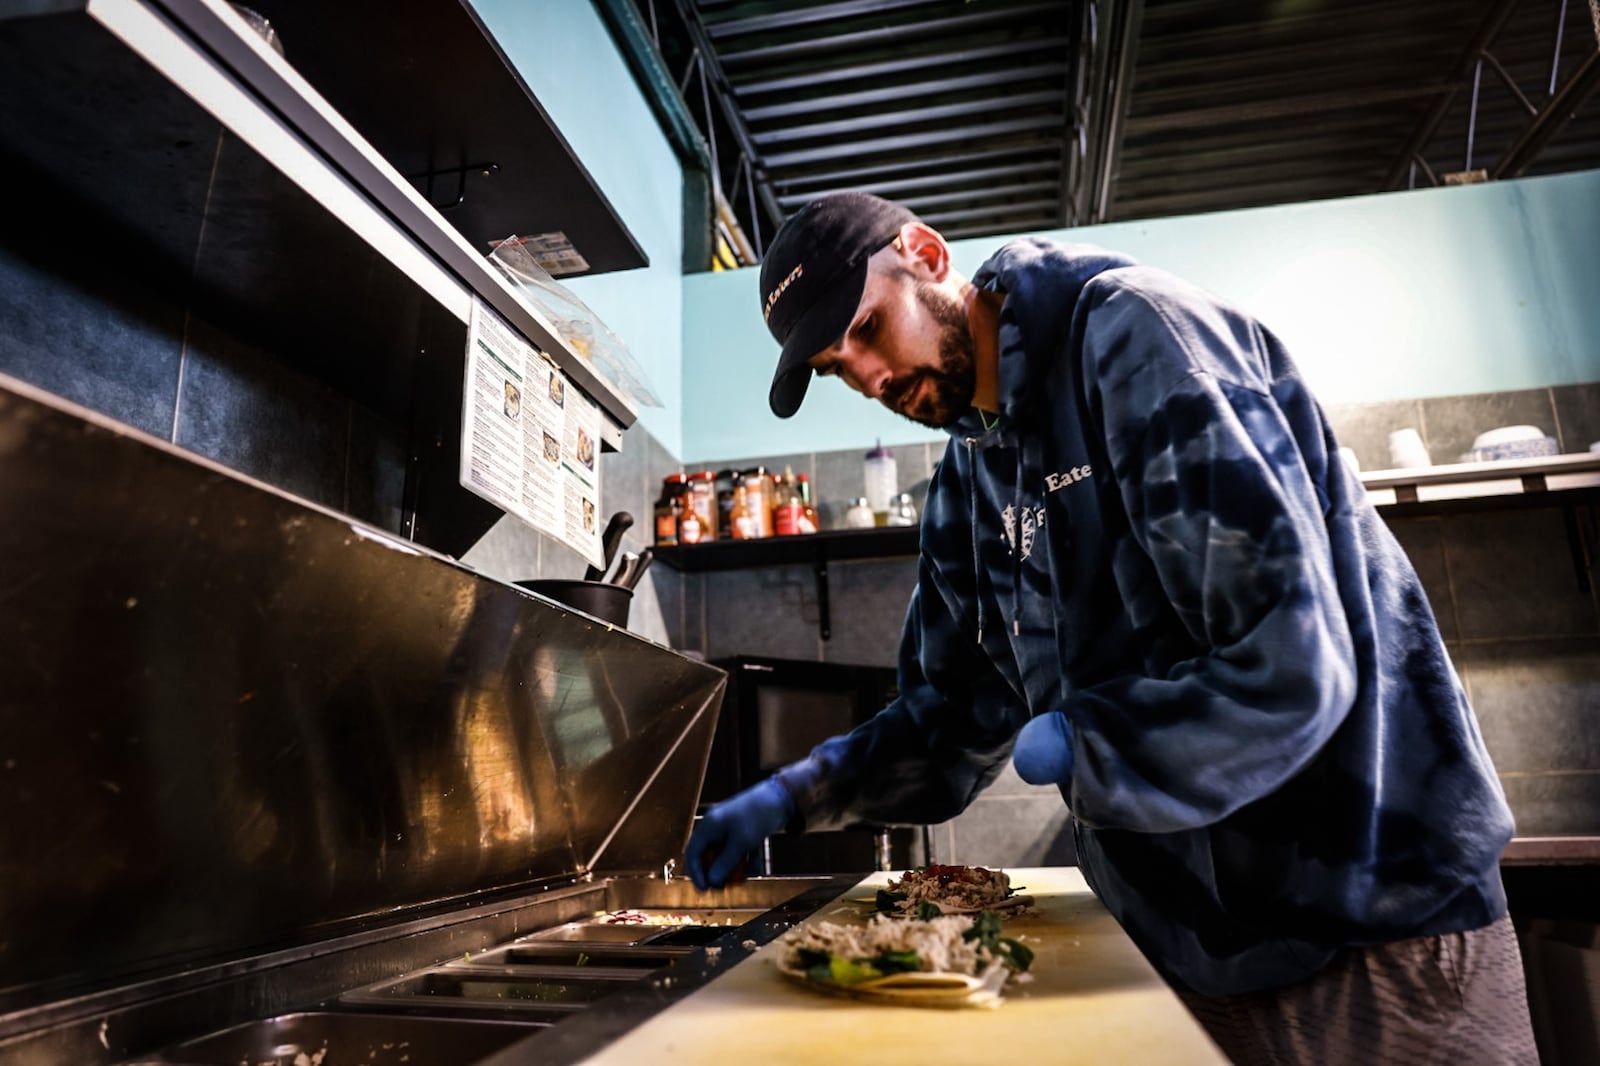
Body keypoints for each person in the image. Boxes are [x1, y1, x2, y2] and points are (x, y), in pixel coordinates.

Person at [685, 192, 1537, 1064]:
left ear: (928, 255)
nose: (866, 375)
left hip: (1369, 915)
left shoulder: (1138, 337)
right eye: (837, 365)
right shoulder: (969, 480)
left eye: (866, 328)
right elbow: (949, 719)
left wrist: (1088, 743)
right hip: (1188, 947)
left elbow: (1288, 669)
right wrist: (797, 795)